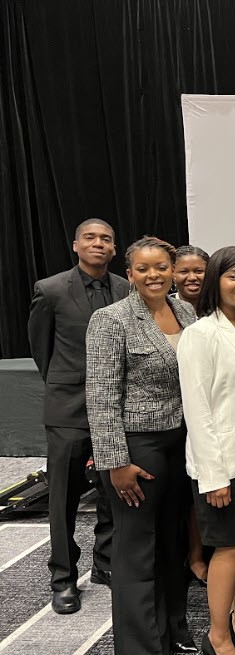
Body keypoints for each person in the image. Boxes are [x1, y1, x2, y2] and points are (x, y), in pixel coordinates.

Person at [85, 236, 197, 655]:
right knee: (136, 552)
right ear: (129, 274)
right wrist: (115, 463)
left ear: (172, 270)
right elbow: (100, 396)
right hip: (138, 448)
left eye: (161, 267)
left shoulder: (184, 310)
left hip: (181, 443)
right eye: (144, 269)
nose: (154, 275)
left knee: (172, 546)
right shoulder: (110, 319)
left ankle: (171, 632)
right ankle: (139, 649)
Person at [27, 218, 129, 613]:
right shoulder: (50, 290)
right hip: (68, 409)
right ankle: (63, 577)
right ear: (76, 245)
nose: (98, 243)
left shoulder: (125, 288)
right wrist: (65, 385)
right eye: (90, 238)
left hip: (117, 408)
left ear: (115, 248)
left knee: (112, 491)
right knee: (64, 497)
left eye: (106, 238)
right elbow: (42, 350)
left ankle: (105, 564)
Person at [178, 246, 235, 655]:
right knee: (230, 547)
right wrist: (213, 476)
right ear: (215, 281)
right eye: (234, 275)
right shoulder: (201, 334)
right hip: (222, 463)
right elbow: (196, 409)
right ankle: (217, 637)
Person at [171, 244, 211, 587]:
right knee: (185, 494)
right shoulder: (167, 310)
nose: (192, 277)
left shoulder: (218, 307)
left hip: (211, 414)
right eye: (184, 270)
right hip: (174, 416)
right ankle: (192, 557)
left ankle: (205, 553)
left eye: (198, 270)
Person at [173, 245, 210, 310]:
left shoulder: (222, 308)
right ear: (172, 274)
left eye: (198, 271)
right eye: (184, 272)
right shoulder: (161, 308)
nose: (192, 278)